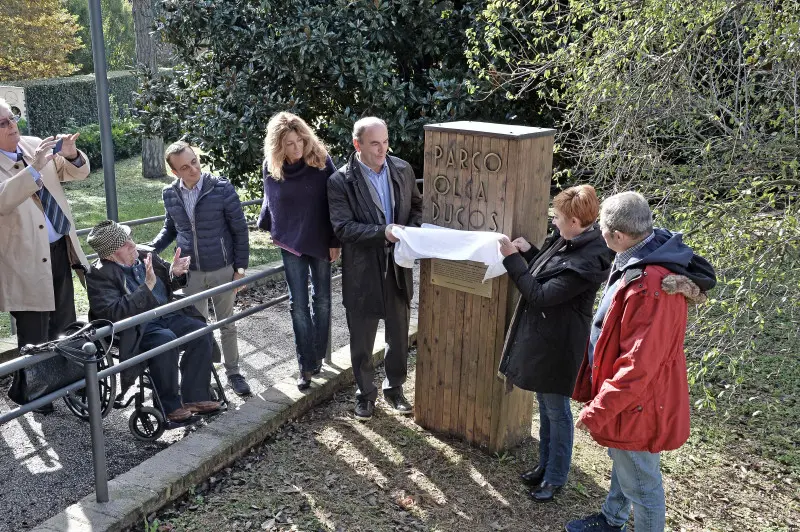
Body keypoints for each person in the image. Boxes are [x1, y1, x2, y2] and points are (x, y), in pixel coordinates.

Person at [565, 192, 716, 532]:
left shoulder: (651, 286)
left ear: (617, 235)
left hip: (637, 403)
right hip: (632, 401)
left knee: (643, 485)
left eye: (601, 228)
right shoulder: (644, 250)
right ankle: (613, 518)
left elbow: (639, 365)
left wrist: (598, 410)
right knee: (625, 461)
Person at [498, 185, 613, 503]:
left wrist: (512, 260)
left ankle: (556, 477)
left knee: (557, 411)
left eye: (559, 217)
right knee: (546, 408)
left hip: (560, 345)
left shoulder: (589, 260)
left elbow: (541, 295)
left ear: (576, 222)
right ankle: (544, 466)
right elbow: (549, 274)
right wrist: (530, 252)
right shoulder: (568, 240)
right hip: (546, 339)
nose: (554, 221)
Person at [327, 116, 423, 420]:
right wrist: (383, 232)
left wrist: (411, 233)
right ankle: (365, 395)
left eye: (385, 142)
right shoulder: (340, 181)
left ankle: (395, 389)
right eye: (374, 144)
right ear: (357, 144)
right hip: (362, 271)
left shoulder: (402, 169)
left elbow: (418, 206)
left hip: (398, 266)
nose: (382, 150)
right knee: (362, 340)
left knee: (398, 335)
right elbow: (343, 228)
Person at [0, 98, 90, 414]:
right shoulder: (30, 157)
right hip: (24, 261)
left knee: (63, 322)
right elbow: (3, 199)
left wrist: (72, 155)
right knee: (34, 332)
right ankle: (31, 395)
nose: (13, 126)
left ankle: (59, 384)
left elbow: (76, 173)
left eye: (13, 118)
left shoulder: (34, 144)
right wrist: (35, 167)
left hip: (59, 250)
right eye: (4, 123)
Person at [85, 220, 220, 422]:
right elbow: (113, 312)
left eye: (129, 238)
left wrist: (174, 273)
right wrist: (145, 288)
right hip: (139, 327)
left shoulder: (144, 254)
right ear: (110, 255)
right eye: (124, 243)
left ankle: (195, 396)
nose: (132, 245)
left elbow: (168, 279)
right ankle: (169, 405)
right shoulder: (99, 275)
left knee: (200, 330)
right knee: (165, 341)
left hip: (167, 314)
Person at [149, 141, 251, 396]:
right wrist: (151, 248)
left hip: (222, 268)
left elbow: (240, 230)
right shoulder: (170, 193)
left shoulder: (222, 189)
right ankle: (202, 379)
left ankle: (234, 373)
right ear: (175, 172)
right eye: (185, 167)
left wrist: (240, 270)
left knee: (227, 323)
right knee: (198, 327)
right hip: (189, 272)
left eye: (194, 161)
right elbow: (170, 228)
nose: (193, 169)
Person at [257, 112, 340, 390]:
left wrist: (335, 240)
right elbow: (271, 199)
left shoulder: (320, 160)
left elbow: (336, 202)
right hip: (290, 242)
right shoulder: (271, 165)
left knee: (323, 300)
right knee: (298, 305)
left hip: (320, 238)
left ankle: (316, 357)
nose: (296, 148)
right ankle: (306, 365)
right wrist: (269, 225)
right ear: (278, 146)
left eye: (299, 141)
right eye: (289, 144)